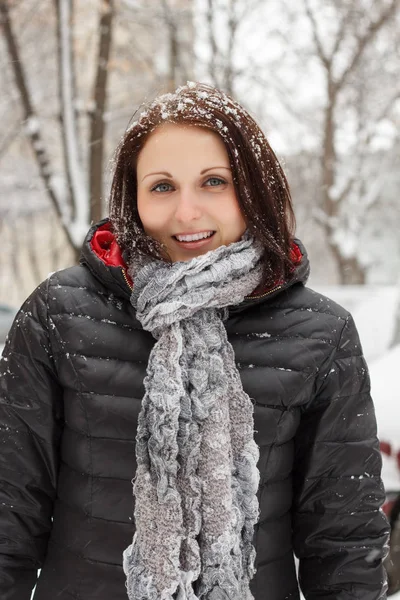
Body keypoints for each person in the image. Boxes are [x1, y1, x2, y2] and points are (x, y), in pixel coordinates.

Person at [0, 81, 389, 600]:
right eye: (162, 186)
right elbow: (10, 508)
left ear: (255, 187)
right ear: (132, 196)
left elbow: (342, 539)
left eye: (213, 182)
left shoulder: (322, 333)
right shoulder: (59, 314)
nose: (187, 212)